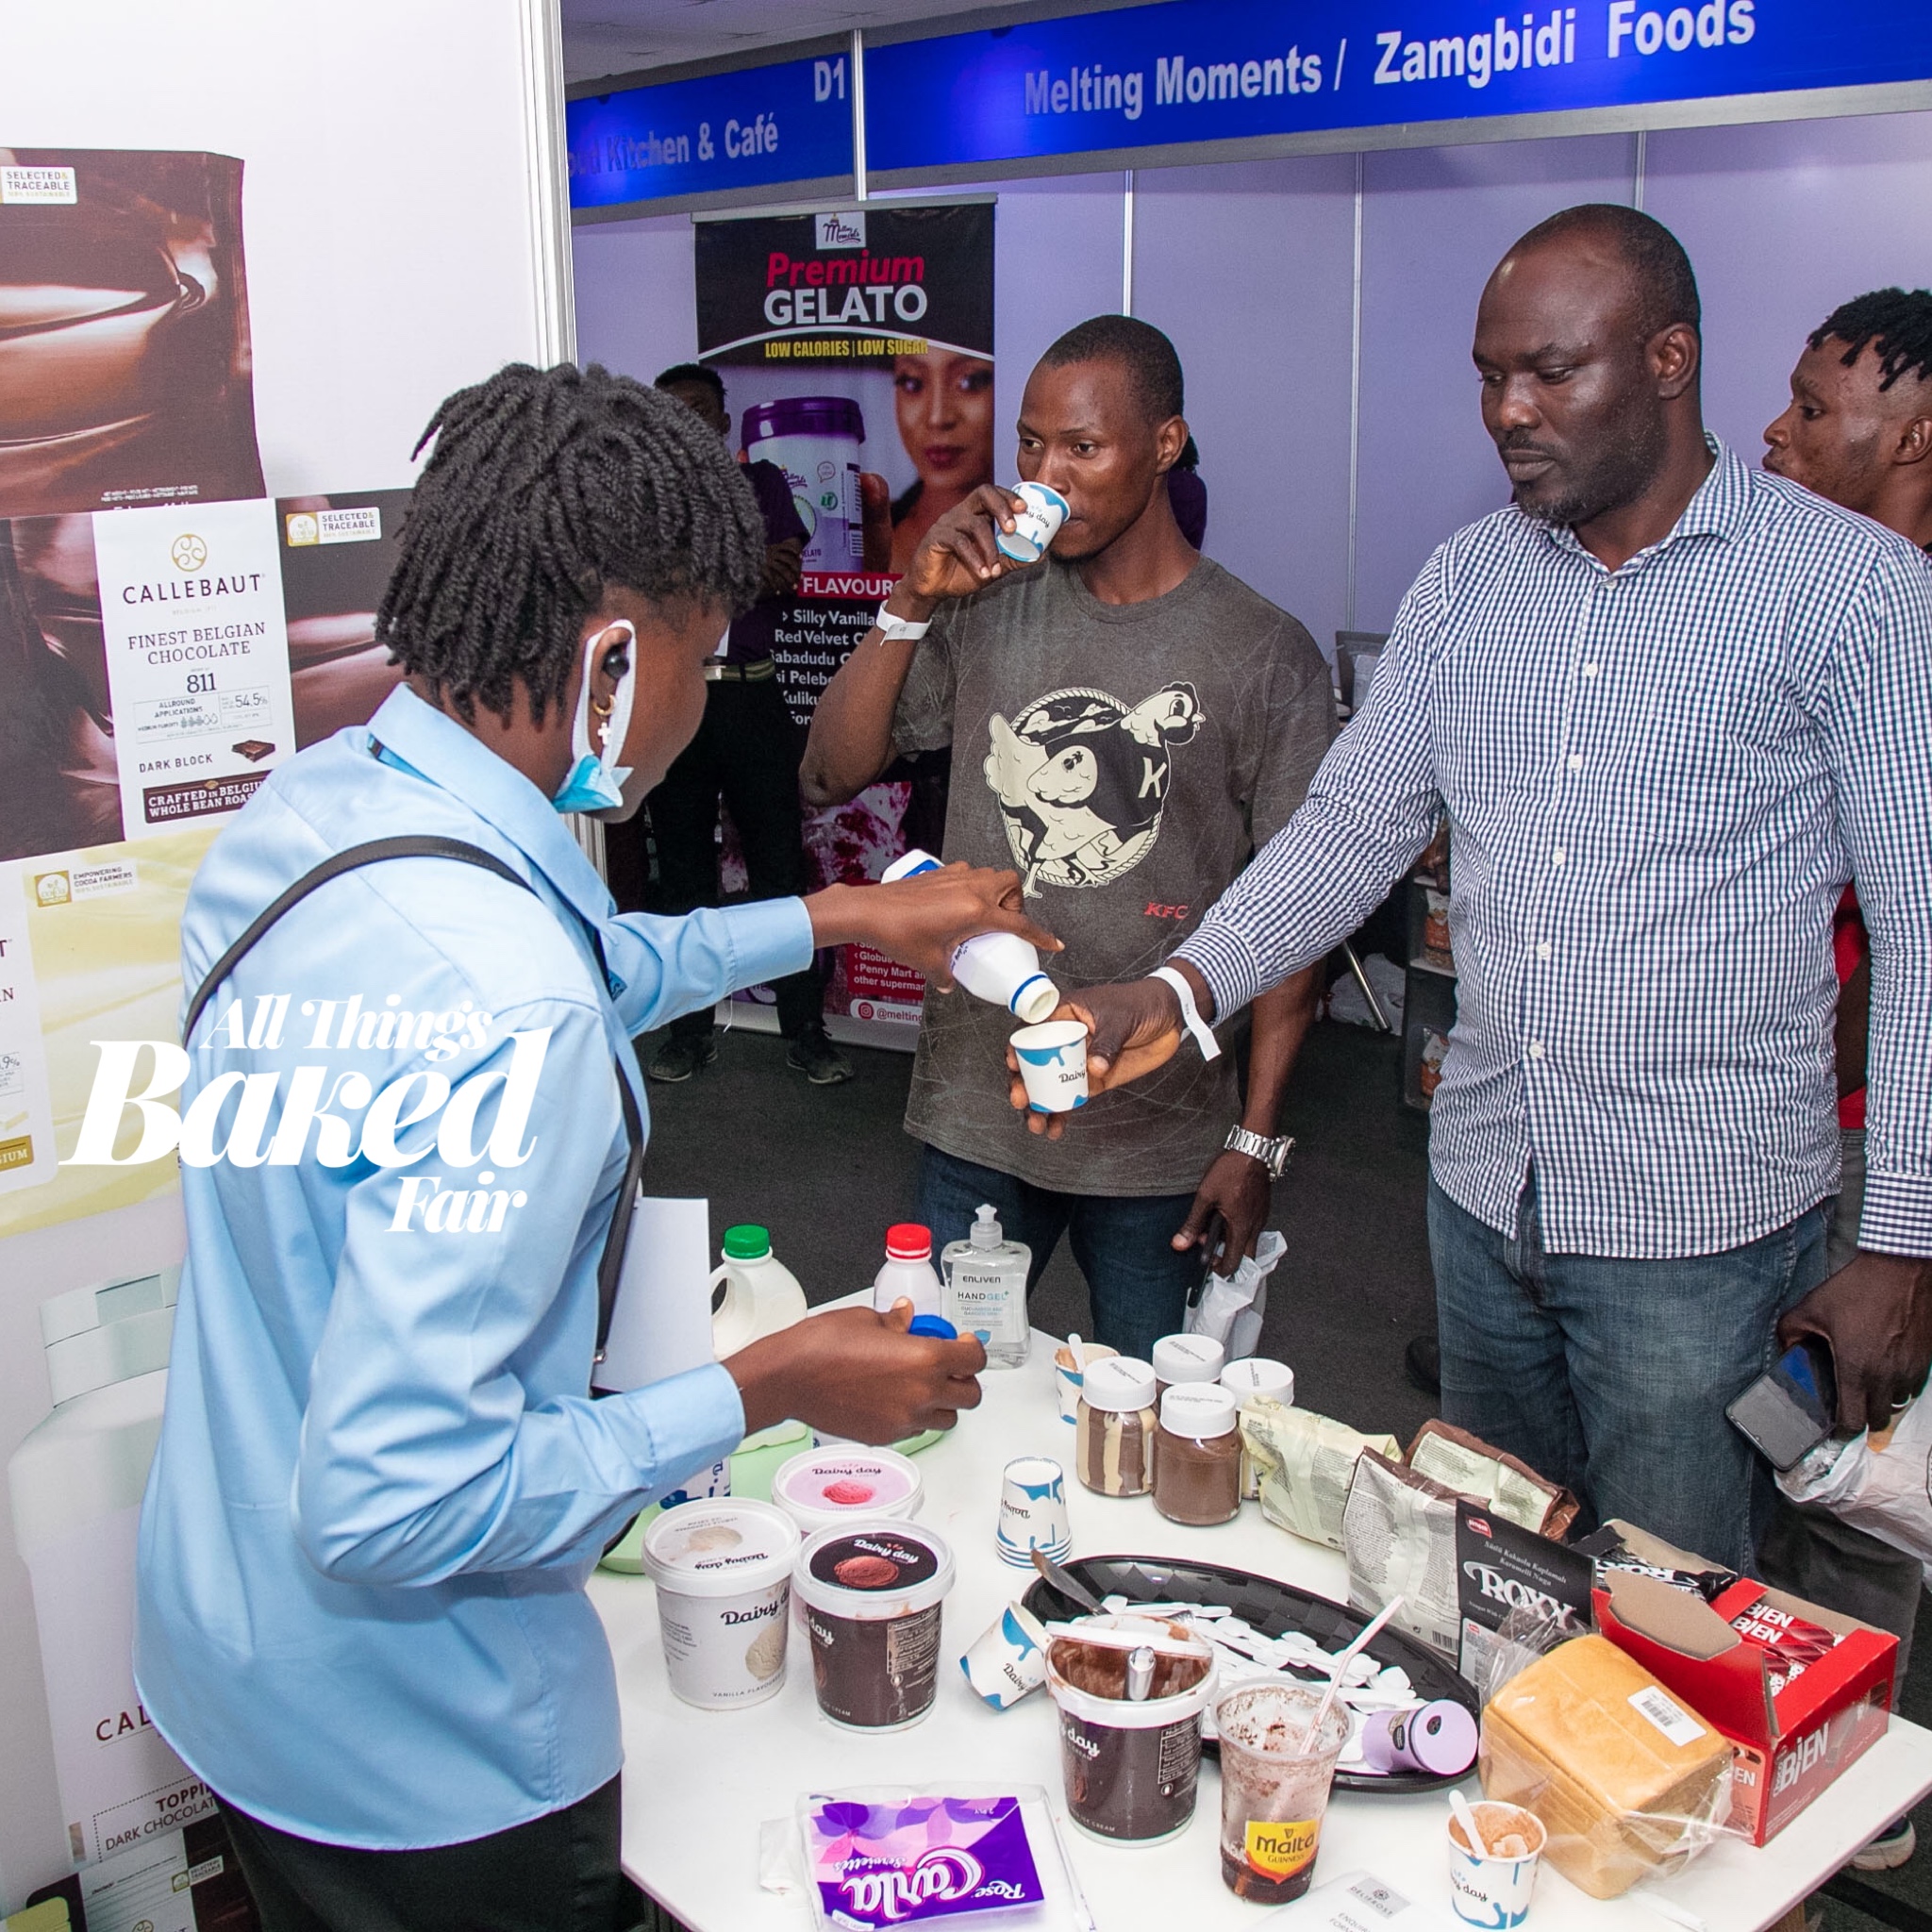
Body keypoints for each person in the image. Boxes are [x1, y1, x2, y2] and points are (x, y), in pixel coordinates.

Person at [133, 362, 1055, 1932]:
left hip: (230, 1654)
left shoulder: (318, 810)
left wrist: (835, 913)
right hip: (423, 1752)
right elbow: (392, 1502)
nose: (702, 698)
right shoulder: (511, 1010)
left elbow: (565, 965)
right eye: (705, 653)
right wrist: (769, 1382)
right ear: (615, 661)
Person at [1024, 209, 1932, 1573]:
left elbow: (1919, 933)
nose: (1508, 411)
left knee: (1671, 1611)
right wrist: (1175, 989)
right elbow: (1349, 831)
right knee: (1498, 1584)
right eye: (1489, 374)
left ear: (1669, 359)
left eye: (1550, 372)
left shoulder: (1849, 589)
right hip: (1482, 1196)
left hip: (1702, 1228)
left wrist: (1904, 1243)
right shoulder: (1467, 580)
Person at [803, 315, 1333, 1362]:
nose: (1046, 476)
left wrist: (1254, 1139)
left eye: (1082, 448)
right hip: (975, 1107)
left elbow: (1298, 915)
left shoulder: (1263, 652)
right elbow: (829, 772)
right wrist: (909, 600)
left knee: (1145, 1409)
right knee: (940, 1386)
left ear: (1166, 444)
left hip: (1158, 1133)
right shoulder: (986, 606)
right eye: (1031, 445)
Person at [1758, 284, 1932, 1874]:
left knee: (1855, 1466)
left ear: (1917, 435)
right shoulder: (1802, 606)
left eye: (1819, 410)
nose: (1779, 431)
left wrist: (1903, 1229)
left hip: (1883, 1144)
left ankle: (1844, 1790)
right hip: (1782, 1125)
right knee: (1783, 1443)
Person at [603, 362, 852, 1087]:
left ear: (719, 419)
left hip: (752, 698)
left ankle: (805, 1031)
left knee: (780, 868)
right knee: (682, 873)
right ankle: (688, 1034)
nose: (684, 419)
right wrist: (737, 566)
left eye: (697, 408)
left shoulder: (761, 483)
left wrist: (695, 574)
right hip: (676, 700)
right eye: (669, 408)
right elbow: (644, 593)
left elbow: (782, 571)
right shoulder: (642, 501)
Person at [888, 348, 997, 573]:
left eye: (970, 381)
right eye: (913, 383)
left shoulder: (1037, 537)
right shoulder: (869, 540)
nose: (937, 418)